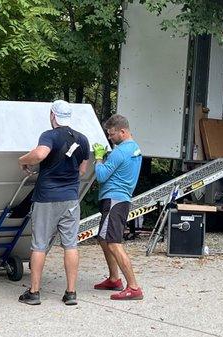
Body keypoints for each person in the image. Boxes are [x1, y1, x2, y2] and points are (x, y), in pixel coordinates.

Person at [17, 100, 89, 306]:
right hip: (71, 198)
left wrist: (22, 160)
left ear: (52, 115)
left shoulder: (49, 135)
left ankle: (34, 293)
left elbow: (39, 154)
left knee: (39, 245)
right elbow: (82, 171)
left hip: (47, 198)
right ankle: (71, 293)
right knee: (70, 245)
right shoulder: (82, 139)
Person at [91, 114, 143, 300]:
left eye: (112, 134)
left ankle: (134, 287)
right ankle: (114, 279)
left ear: (122, 131)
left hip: (114, 199)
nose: (110, 138)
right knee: (104, 239)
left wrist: (98, 158)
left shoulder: (120, 152)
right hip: (120, 199)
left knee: (113, 242)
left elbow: (101, 175)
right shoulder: (134, 149)